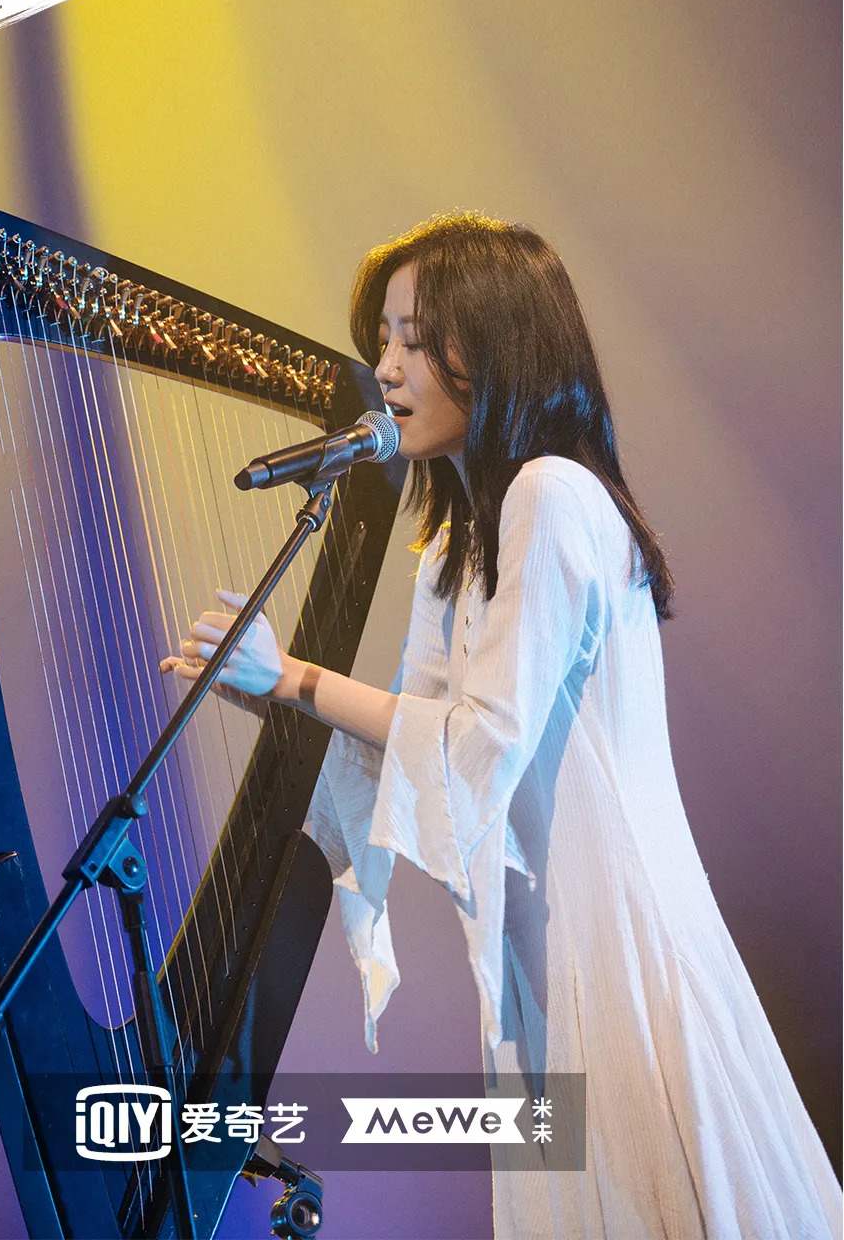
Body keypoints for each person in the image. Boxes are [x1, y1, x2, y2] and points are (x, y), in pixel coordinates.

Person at [162, 212, 842, 1239]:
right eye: (382, 340)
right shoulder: (455, 544)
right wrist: (273, 689)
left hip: (613, 942)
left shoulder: (552, 494)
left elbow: (474, 744)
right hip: (535, 959)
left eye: (414, 338)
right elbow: (419, 748)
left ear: (497, 343)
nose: (385, 370)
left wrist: (295, 675)